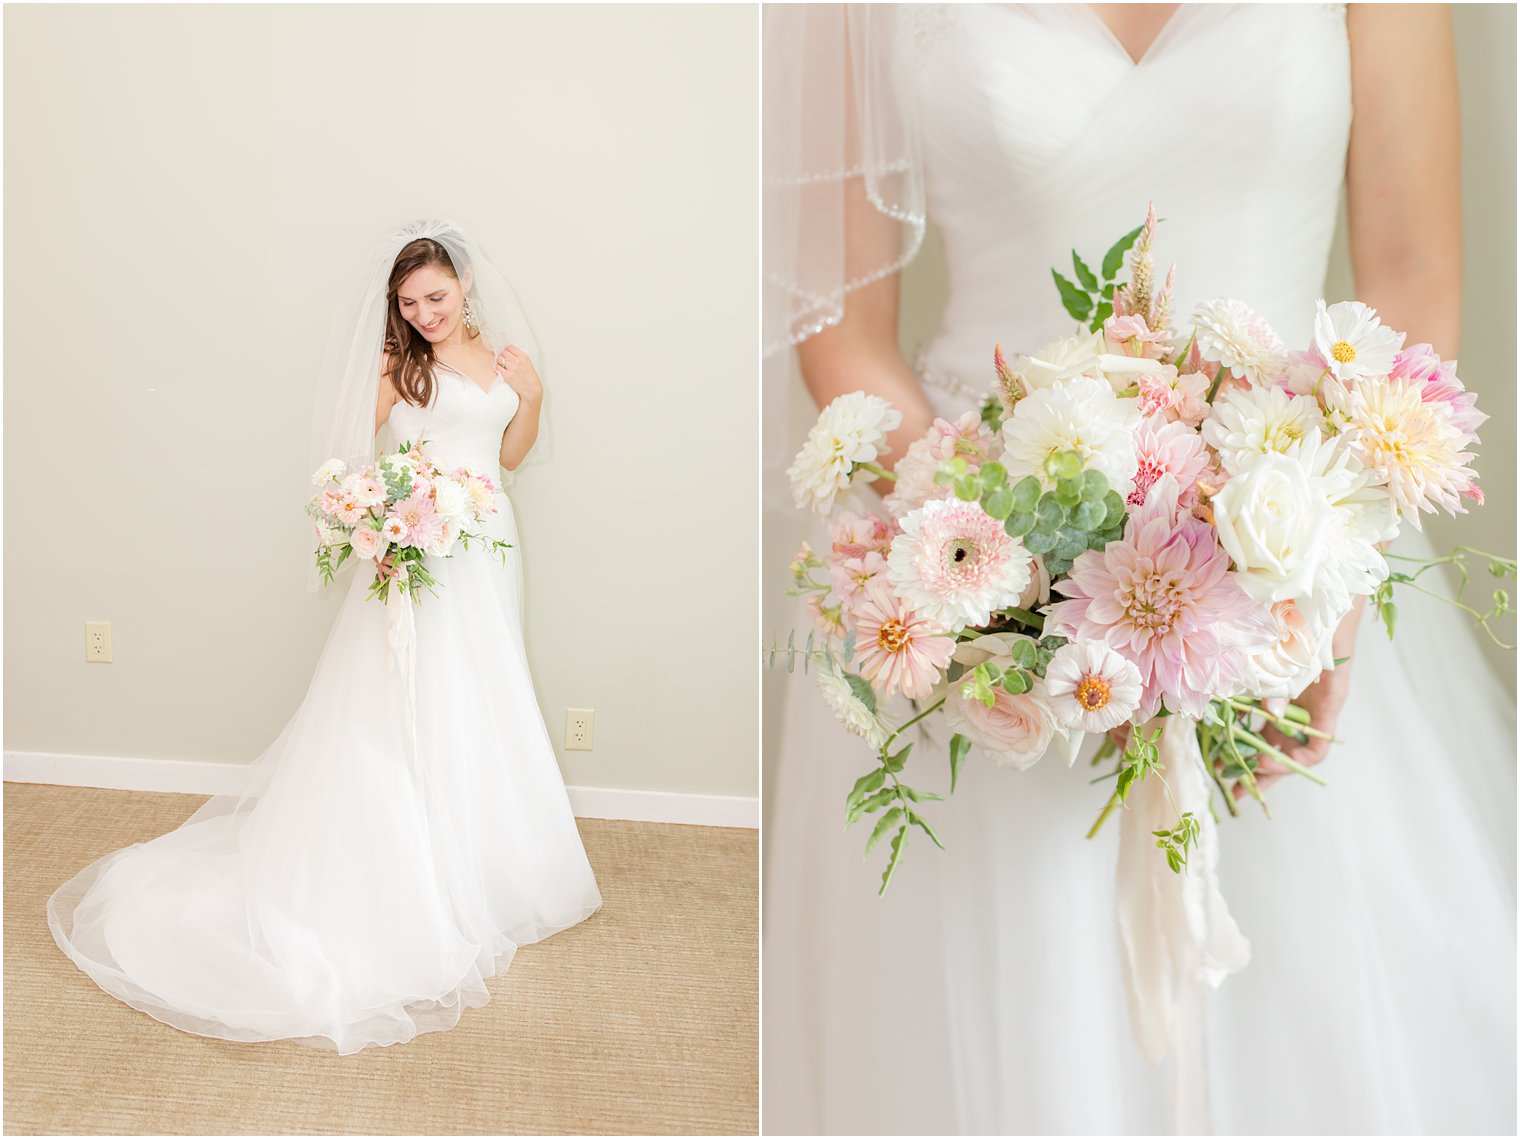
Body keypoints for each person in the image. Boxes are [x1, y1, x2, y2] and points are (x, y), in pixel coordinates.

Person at [762, 5, 1515, 1133]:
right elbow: (840, 325)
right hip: (969, 556)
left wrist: (1317, 573)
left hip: (1299, 543)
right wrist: (993, 578)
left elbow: (1408, 274)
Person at [48, 219, 602, 1054]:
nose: (424, 314)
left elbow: (509, 457)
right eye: (409, 302)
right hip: (422, 551)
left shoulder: (501, 355)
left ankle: (482, 862)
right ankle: (402, 869)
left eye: (437, 297)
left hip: (489, 546)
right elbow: (352, 464)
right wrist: (391, 518)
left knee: (484, 688)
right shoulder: (396, 365)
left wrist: (533, 398)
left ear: (465, 285)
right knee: (410, 693)